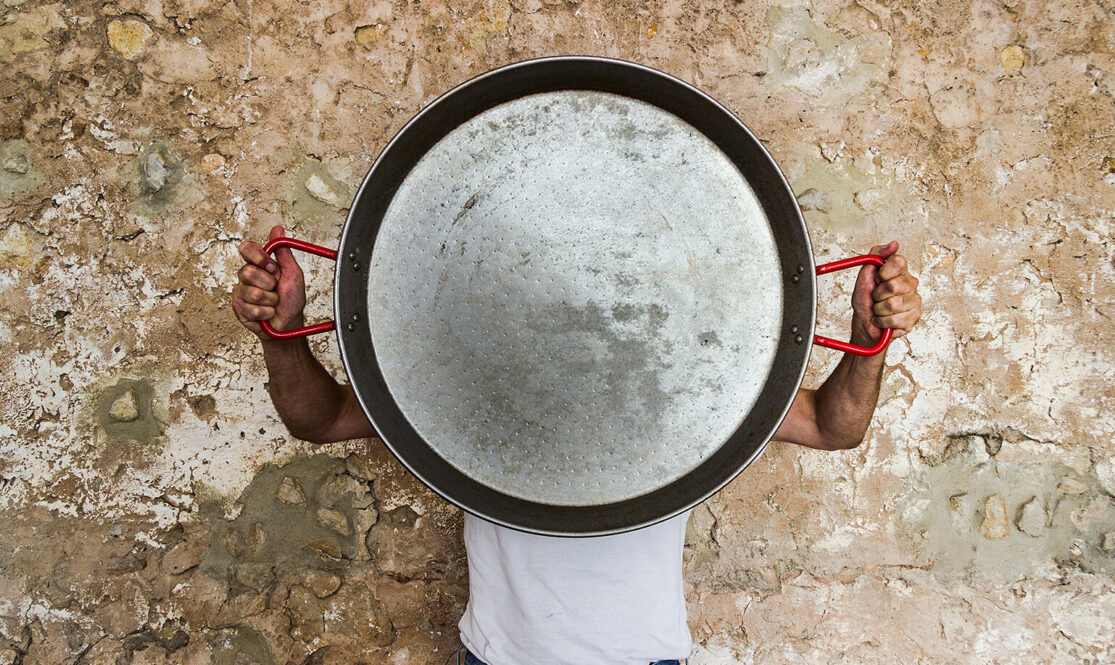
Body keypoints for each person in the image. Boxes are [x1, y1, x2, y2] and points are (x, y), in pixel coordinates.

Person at [232, 225, 922, 665]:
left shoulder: (689, 386)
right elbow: (318, 421)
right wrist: (281, 332)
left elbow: (836, 426)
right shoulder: (473, 383)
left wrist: (867, 343)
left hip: (640, 659)